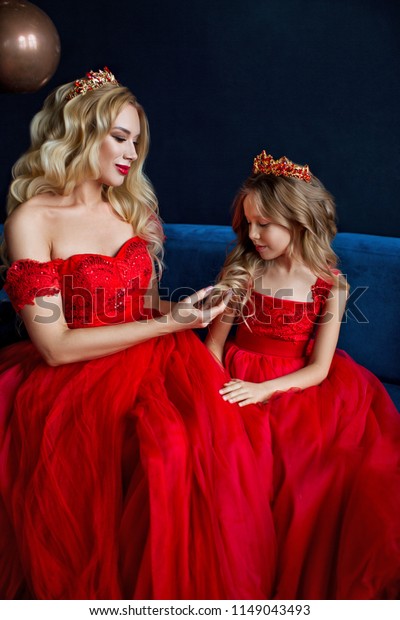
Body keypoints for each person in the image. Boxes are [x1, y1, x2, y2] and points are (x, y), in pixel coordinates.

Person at [0, 70, 276, 600]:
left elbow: (141, 307)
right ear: (81, 132)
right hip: (73, 375)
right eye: (120, 138)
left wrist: (190, 308)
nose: (131, 154)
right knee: (143, 456)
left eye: (137, 142)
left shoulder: (133, 209)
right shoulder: (34, 219)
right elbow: (54, 347)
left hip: (155, 355)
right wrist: (170, 323)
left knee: (191, 446)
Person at [206, 150, 400, 600]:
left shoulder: (329, 284)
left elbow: (319, 369)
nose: (252, 235)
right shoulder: (244, 271)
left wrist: (263, 390)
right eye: (248, 223)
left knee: (310, 475)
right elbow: (214, 344)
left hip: (294, 387)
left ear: (299, 221)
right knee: (223, 462)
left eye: (264, 224)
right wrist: (223, 387)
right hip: (233, 374)